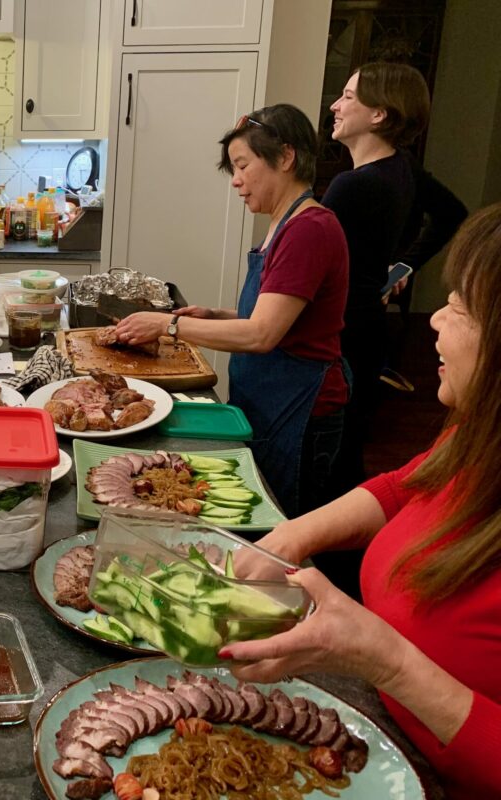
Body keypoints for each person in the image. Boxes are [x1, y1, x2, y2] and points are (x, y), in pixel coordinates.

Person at [223, 203, 501, 800]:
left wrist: (386, 660)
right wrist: (290, 537)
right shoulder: (479, 436)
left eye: (460, 308)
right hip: (376, 733)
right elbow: (405, 486)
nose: (435, 322)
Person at [115, 104, 349, 517]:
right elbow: (275, 317)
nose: (237, 182)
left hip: (301, 409)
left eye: (243, 165)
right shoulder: (284, 224)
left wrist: (169, 326)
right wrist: (217, 316)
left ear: (286, 157)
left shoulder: (309, 229)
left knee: (286, 527)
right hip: (270, 397)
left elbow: (262, 335)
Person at [323, 61, 467, 496]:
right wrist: (401, 266)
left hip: (340, 336)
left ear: (379, 114)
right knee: (347, 453)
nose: (336, 105)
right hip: (370, 332)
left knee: (328, 460)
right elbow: (452, 213)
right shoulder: (401, 167)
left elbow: (312, 264)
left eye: (348, 96)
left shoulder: (352, 186)